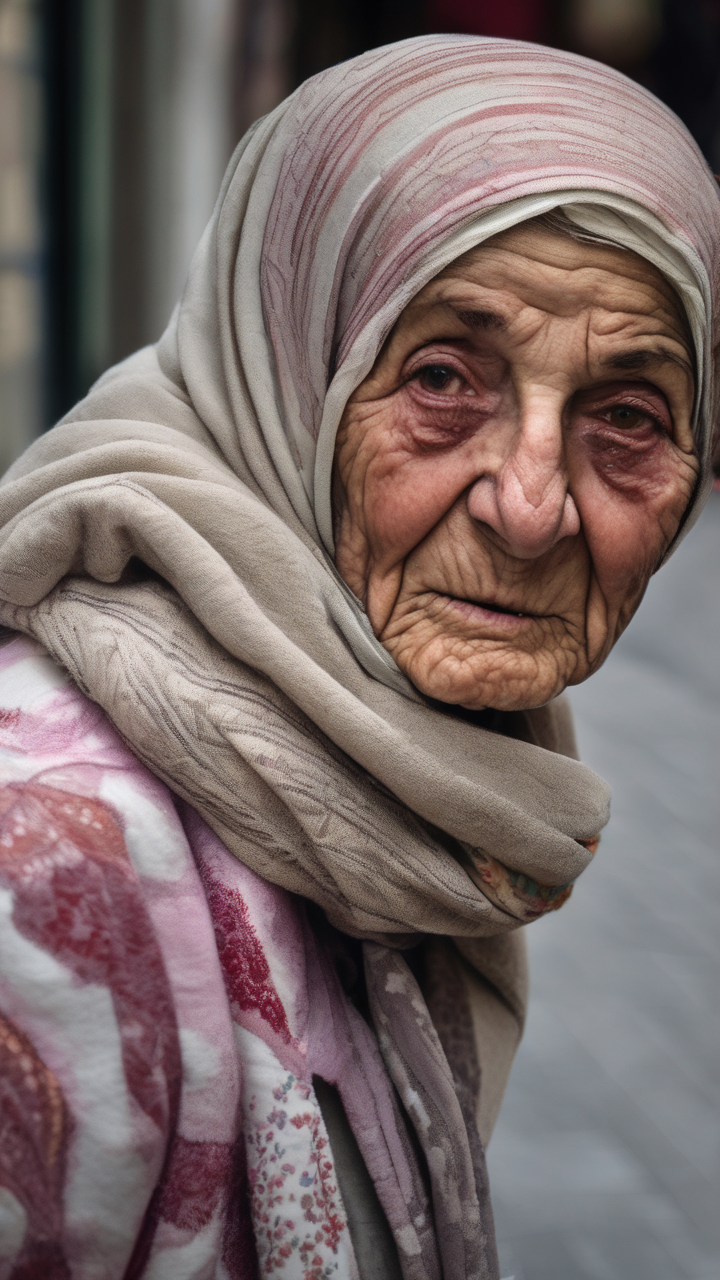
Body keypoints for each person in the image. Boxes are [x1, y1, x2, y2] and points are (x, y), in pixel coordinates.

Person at [0, 33, 717, 1280]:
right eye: (443, 377)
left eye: (627, 416)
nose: (534, 505)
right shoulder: (52, 865)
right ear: (290, 367)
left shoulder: (400, 789)